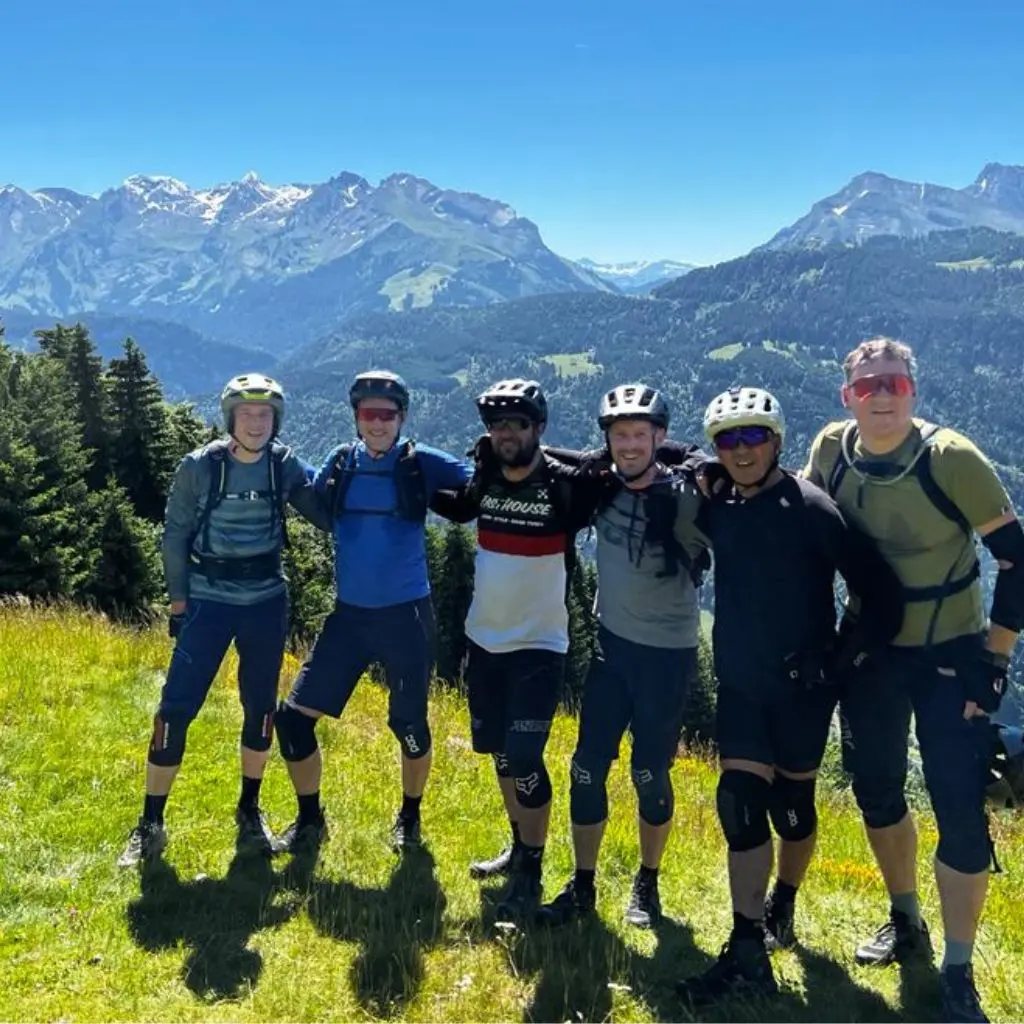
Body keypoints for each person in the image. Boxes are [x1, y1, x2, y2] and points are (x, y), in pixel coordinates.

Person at [804, 337, 1023, 1024]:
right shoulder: (831, 453)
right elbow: (807, 537)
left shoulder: (951, 460)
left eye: (894, 383)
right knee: (876, 790)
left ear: (913, 392)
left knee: (960, 811)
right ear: (848, 397)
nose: (882, 395)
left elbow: (1017, 562)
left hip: (950, 653)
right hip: (870, 650)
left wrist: (995, 661)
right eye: (867, 385)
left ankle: (958, 972)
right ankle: (907, 922)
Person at [673, 386, 904, 1006]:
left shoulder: (811, 508)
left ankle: (784, 901)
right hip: (742, 684)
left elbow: (881, 592)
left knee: (792, 810)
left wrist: (838, 661)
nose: (740, 450)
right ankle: (746, 945)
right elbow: (663, 459)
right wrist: (698, 463)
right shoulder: (718, 498)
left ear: (776, 440)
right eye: (728, 439)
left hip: (804, 690)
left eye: (752, 436)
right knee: (739, 801)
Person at [118, 373, 331, 867]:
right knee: (175, 708)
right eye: (246, 414)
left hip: (265, 601)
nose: (256, 423)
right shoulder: (200, 467)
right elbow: (174, 535)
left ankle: (249, 811)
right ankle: (150, 823)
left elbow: (324, 511)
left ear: (275, 422)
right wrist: (177, 603)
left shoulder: (283, 465)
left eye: (265, 415)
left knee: (261, 708)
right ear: (230, 419)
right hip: (209, 601)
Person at [272, 370, 472, 856]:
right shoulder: (342, 462)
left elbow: (477, 483)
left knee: (410, 726)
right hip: (349, 617)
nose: (377, 422)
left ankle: (409, 817)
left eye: (387, 414)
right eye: (368, 414)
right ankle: (310, 821)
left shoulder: (420, 460)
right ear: (357, 418)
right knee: (293, 719)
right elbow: (314, 501)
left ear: (401, 418)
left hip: (407, 616)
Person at [536, 383, 710, 930]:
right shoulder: (601, 487)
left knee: (649, 773)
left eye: (641, 434)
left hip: (667, 656)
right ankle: (582, 886)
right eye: (619, 435)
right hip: (612, 649)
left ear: (660, 437)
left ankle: (648, 882)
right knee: (586, 768)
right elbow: (550, 463)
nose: (629, 445)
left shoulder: (689, 498)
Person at [429, 378, 601, 922]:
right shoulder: (484, 478)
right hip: (485, 641)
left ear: (539, 429)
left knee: (525, 756)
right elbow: (456, 507)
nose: (506, 434)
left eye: (518, 424)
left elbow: (624, 467)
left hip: (540, 646)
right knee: (501, 754)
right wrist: (402, 471)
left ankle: (532, 870)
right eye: (496, 425)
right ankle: (519, 845)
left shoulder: (565, 486)